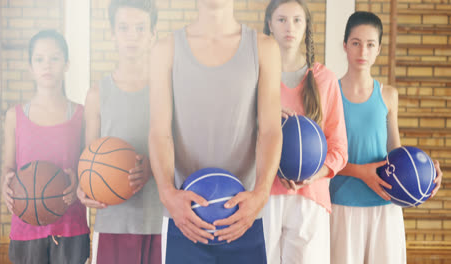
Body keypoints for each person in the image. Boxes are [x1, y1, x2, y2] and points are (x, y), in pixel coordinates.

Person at [148, 0, 283, 263]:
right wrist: (167, 193)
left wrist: (261, 194)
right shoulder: (165, 49)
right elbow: (159, 132)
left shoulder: (264, 48)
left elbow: (270, 130)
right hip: (185, 216)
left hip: (243, 215)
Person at [329, 11, 443, 264]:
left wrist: (425, 174)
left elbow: (396, 151)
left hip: (385, 205)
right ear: (345, 45)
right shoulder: (329, 93)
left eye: (370, 45)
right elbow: (325, 161)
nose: (362, 51)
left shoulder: (388, 95)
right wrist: (361, 172)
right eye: (356, 43)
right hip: (342, 206)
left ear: (378, 49)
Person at [262, 1, 349, 263]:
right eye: (282, 20)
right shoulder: (255, 75)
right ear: (270, 24)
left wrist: (313, 176)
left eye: (297, 20)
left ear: (306, 26)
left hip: (310, 197)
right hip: (264, 193)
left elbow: (339, 148)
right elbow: (239, 136)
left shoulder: (326, 79)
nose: (290, 27)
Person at [76, 1, 163, 263]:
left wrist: (152, 168)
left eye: (140, 28)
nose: (132, 36)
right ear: (112, 33)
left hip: (159, 220)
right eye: (123, 28)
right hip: (113, 221)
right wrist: (85, 185)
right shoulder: (97, 94)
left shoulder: (165, 90)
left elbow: (179, 153)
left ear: (152, 34)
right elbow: (88, 158)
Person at [2, 29, 90, 264]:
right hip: (26, 225)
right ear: (30, 67)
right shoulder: (15, 116)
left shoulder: (81, 114)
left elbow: (88, 169)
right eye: (39, 59)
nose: (47, 65)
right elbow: (8, 168)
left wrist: (78, 185)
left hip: (71, 224)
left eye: (54, 58)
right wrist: (6, 187)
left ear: (66, 64)